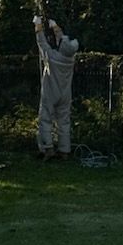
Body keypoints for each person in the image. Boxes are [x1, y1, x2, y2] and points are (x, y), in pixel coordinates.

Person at [33, 14, 79, 160]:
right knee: (64, 121)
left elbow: (42, 43)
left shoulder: (52, 57)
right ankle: (64, 151)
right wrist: (55, 27)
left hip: (50, 92)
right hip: (65, 94)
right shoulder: (70, 59)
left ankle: (48, 149)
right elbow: (63, 42)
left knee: (45, 119)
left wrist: (38, 26)